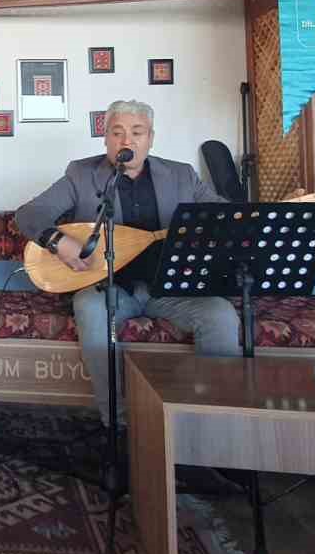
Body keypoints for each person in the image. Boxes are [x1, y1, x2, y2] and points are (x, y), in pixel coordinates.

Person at [15, 99, 240, 423]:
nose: (127, 140)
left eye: (137, 132)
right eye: (117, 132)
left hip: (168, 289)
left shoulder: (182, 176)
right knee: (89, 308)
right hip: (108, 289)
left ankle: (212, 424)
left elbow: (224, 214)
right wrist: (57, 241)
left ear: (151, 137)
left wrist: (254, 214)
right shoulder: (81, 175)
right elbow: (29, 214)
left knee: (220, 314)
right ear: (105, 137)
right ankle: (118, 423)